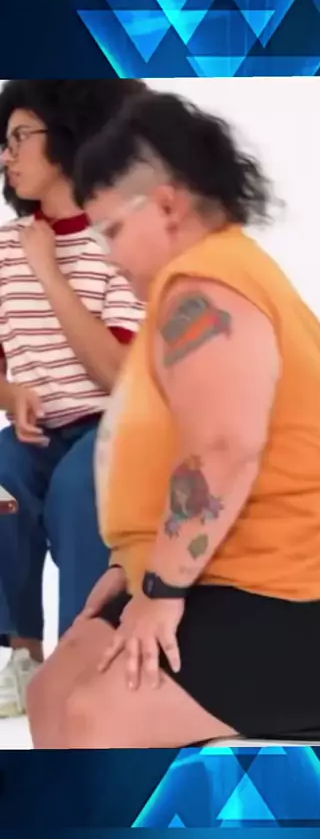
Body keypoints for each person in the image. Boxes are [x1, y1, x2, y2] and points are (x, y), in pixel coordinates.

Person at [27, 90, 320, 749]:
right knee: (52, 689)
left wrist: (161, 589)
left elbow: (222, 450)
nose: (111, 256)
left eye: (112, 232)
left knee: (95, 719)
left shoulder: (205, 290)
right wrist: (132, 565)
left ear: (166, 206)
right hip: (237, 574)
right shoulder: (192, 283)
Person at [0, 80, 145, 719]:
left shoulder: (122, 242)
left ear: (67, 138)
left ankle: (83, 660)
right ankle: (22, 656)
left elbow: (119, 377)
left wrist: (48, 271)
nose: (6, 156)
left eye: (19, 139)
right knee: (1, 476)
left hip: (118, 425)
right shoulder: (4, 248)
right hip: (39, 432)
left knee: (78, 487)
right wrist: (10, 392)